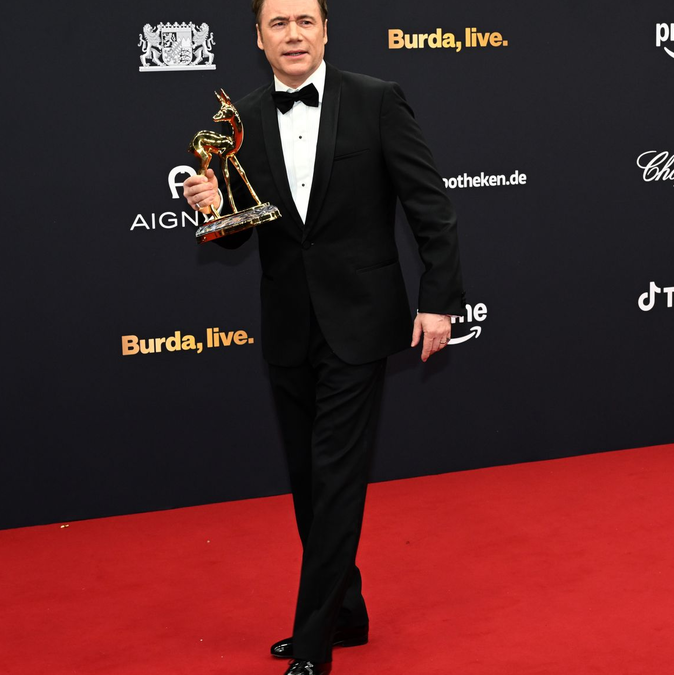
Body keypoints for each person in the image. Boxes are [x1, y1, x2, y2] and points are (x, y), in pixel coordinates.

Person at [182, 1, 464, 673]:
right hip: (288, 325)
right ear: (259, 38)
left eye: (305, 21)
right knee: (310, 483)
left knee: (336, 479)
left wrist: (438, 301)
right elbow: (244, 229)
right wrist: (217, 209)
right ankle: (345, 613)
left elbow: (431, 207)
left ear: (326, 30)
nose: (294, 35)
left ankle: (312, 649)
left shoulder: (377, 100)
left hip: (359, 323)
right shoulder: (242, 119)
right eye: (278, 24)